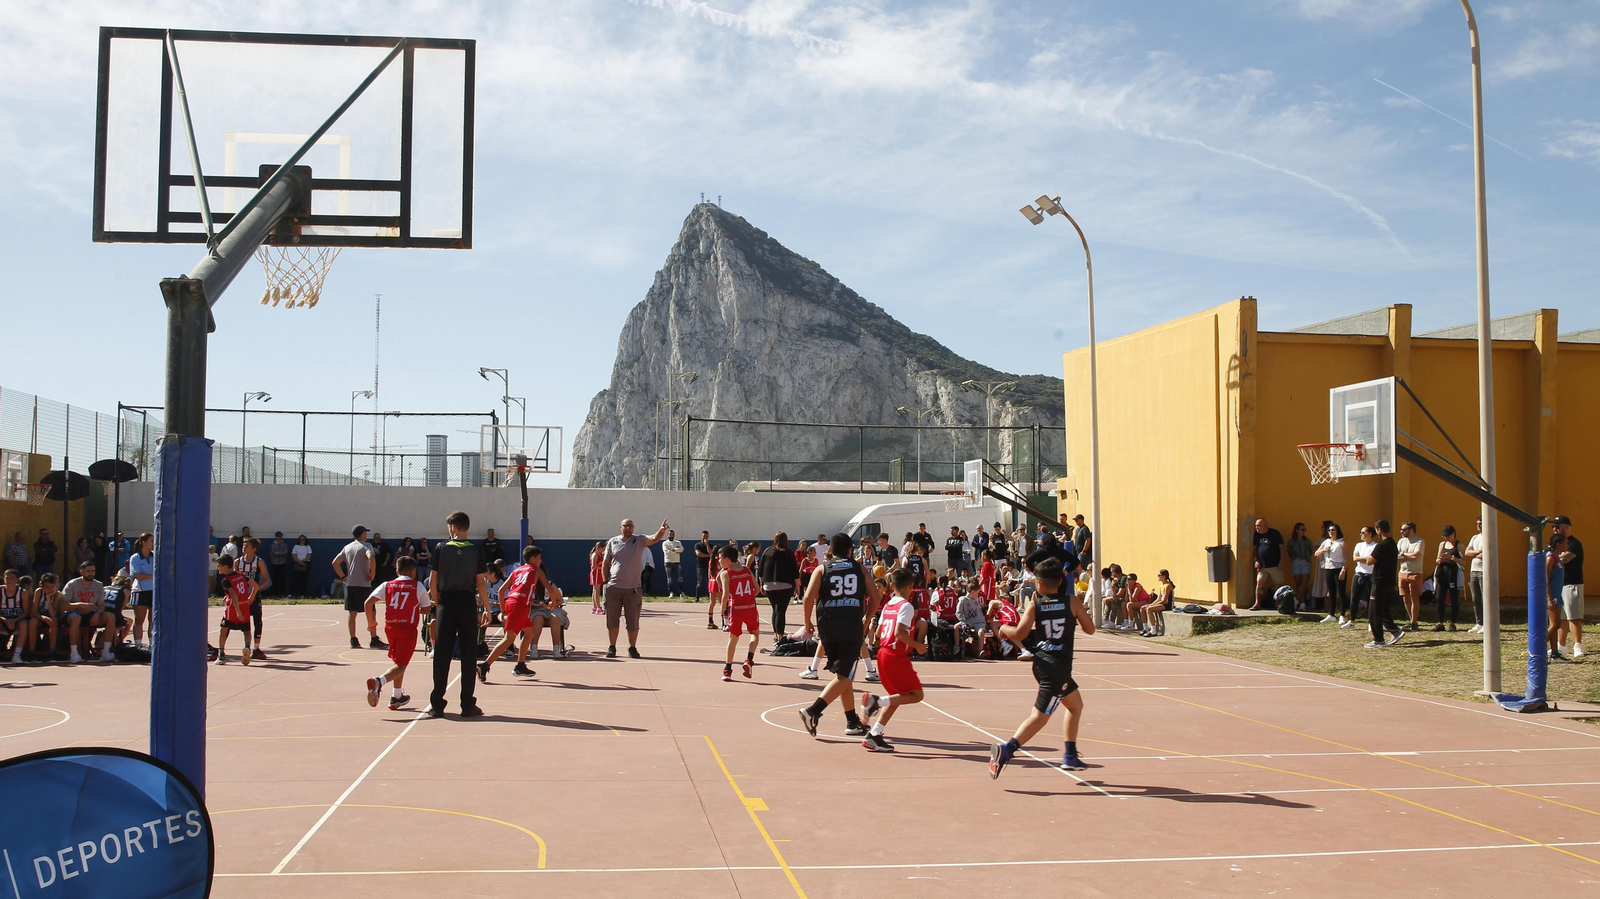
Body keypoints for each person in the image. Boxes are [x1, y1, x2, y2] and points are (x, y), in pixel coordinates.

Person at [988, 557, 1096, 777]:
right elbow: (1090, 629)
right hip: (1056, 668)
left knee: (1075, 706)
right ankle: (1006, 749)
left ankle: (1070, 755)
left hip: (1045, 664)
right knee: (1040, 716)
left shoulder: (1035, 605)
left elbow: (1020, 634)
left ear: (1039, 583)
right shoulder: (1072, 602)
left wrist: (1003, 629)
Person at [797, 533, 882, 739]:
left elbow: (808, 596)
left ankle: (852, 721)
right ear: (851, 551)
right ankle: (813, 711)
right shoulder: (859, 568)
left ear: (831, 550)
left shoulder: (822, 568)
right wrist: (867, 617)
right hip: (850, 623)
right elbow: (876, 596)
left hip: (827, 623)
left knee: (844, 673)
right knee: (846, 674)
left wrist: (807, 621)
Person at [857, 567, 928, 752]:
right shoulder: (906, 606)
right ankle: (876, 702)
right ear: (911, 586)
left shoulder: (888, 604)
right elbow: (899, 633)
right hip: (895, 655)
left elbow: (880, 632)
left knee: (897, 697)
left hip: (882, 653)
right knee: (916, 695)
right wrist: (918, 645)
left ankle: (874, 735)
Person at [428, 510, 490, 718]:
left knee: (442, 653)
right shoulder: (476, 549)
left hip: (447, 601)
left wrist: (439, 604)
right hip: (467, 602)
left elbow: (433, 580)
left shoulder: (441, 548)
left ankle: (437, 704)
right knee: (469, 654)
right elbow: (480, 582)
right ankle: (467, 704)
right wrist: (488, 609)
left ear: (453, 527)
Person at [365, 554, 431, 709]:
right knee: (401, 664)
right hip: (407, 628)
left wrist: (371, 622)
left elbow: (368, 602)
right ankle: (378, 681)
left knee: (399, 662)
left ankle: (397, 696)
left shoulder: (387, 585)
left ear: (397, 571)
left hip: (390, 627)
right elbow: (427, 609)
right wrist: (413, 608)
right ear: (413, 572)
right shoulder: (418, 586)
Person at [603, 518, 670, 659]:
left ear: (633, 528)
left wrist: (662, 530)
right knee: (612, 619)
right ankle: (612, 647)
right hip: (613, 587)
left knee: (633, 621)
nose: (628, 528)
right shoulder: (612, 542)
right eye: (626, 526)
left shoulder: (639, 540)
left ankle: (632, 648)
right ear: (620, 527)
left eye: (631, 526)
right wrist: (605, 582)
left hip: (633, 588)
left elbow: (654, 538)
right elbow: (606, 562)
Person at [479, 545, 548, 681]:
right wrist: (551, 601)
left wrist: (503, 609)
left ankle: (520, 665)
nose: (541, 560)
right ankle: (484, 666)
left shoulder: (517, 571)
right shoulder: (536, 570)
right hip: (519, 605)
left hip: (513, 603)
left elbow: (500, 591)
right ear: (533, 559)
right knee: (509, 639)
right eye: (539, 558)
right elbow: (549, 588)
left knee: (530, 632)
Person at [716, 545, 760, 682]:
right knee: (755, 634)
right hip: (750, 607)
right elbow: (757, 589)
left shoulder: (726, 573)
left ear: (727, 559)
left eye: (720, 558)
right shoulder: (746, 570)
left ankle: (727, 670)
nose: (718, 561)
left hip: (736, 609)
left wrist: (722, 608)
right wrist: (749, 597)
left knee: (733, 639)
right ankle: (749, 660)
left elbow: (724, 594)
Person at [332, 526, 379, 650]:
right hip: (363, 583)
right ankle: (373, 638)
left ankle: (353, 639)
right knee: (371, 610)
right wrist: (372, 573)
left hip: (351, 583)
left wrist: (343, 577)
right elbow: (371, 557)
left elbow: (335, 563)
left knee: (352, 612)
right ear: (363, 534)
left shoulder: (347, 547)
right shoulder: (366, 546)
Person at [60, 560, 112, 663]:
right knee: (76, 618)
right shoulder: (72, 584)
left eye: (93, 571)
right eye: (88, 571)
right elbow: (62, 605)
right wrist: (78, 604)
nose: (91, 573)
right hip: (73, 613)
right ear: (81, 572)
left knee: (110, 617)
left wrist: (97, 613)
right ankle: (74, 653)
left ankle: (106, 652)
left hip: (90, 614)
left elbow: (101, 605)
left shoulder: (99, 585)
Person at [1365, 520, 1405, 648]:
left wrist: (1368, 556)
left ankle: (1378, 640)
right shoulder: (1393, 544)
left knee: (1374, 611)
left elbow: (1369, 561)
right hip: (1389, 582)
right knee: (1384, 610)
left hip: (1379, 582)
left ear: (1379, 529)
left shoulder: (1382, 545)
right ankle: (1395, 631)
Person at [213, 555, 258, 666]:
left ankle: (221, 655)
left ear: (225, 567)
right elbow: (255, 585)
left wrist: (237, 611)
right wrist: (251, 597)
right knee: (247, 631)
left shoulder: (225, 580)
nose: (218, 568)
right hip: (245, 606)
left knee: (223, 631)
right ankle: (247, 646)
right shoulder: (240, 575)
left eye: (219, 566)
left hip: (233, 609)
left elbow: (233, 594)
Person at [1552, 516, 1585, 659]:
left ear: (1566, 527)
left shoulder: (1574, 544)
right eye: (1553, 527)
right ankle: (1562, 645)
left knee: (1574, 616)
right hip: (1560, 584)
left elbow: (1563, 559)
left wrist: (1552, 558)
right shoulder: (1557, 544)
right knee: (1562, 618)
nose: (1554, 529)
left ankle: (1577, 645)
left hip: (1572, 584)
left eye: (1557, 527)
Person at [759, 532, 800, 640]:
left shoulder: (767, 552)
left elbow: (760, 569)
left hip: (769, 584)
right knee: (781, 611)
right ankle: (780, 635)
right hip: (785, 584)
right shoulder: (788, 553)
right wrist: (798, 586)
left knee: (775, 609)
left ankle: (775, 634)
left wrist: (761, 584)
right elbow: (795, 571)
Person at [236, 537, 272, 659]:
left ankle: (256, 648)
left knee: (258, 621)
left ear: (254, 549)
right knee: (243, 622)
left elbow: (266, 579)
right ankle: (246, 646)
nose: (243, 547)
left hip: (254, 596)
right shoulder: (237, 562)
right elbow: (234, 579)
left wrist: (255, 590)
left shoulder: (258, 562)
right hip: (240, 597)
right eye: (243, 545)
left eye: (247, 546)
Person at [1313, 523, 1348, 624]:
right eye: (1329, 530)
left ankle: (1342, 615)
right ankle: (1331, 614)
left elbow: (1346, 557)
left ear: (1337, 531)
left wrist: (1344, 569)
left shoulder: (1342, 541)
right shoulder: (1326, 541)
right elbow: (1316, 553)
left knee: (1341, 592)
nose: (1331, 532)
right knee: (1331, 591)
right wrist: (1324, 550)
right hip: (1328, 568)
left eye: (1333, 530)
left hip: (1339, 568)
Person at [1248, 519, 1285, 611]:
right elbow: (1255, 549)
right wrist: (1256, 560)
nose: (1257, 528)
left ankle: (1277, 604)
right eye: (1256, 526)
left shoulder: (1274, 533)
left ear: (1265, 525)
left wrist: (1282, 561)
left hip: (1275, 564)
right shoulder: (1256, 535)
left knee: (1278, 584)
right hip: (1262, 566)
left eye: (1259, 526)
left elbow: (1282, 548)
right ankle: (1257, 603)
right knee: (1259, 583)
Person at [1433, 526, 1464, 632]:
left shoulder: (1459, 545)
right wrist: (1440, 559)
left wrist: (1451, 557)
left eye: (1447, 536)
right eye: (1444, 536)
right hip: (1443, 573)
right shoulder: (1442, 545)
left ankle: (1453, 623)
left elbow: (1464, 562)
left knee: (1454, 599)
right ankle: (1440, 623)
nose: (1445, 538)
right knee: (1439, 597)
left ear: (1453, 534)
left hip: (1453, 574)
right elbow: (1437, 559)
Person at [128, 533, 155, 649]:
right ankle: (138, 644)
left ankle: (152, 644)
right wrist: (154, 576)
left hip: (154, 591)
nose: (154, 543)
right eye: (151, 541)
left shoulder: (155, 556)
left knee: (153, 619)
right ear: (144, 543)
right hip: (140, 591)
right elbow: (137, 575)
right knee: (139, 619)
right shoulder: (135, 558)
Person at [1396, 521, 1425, 630]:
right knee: (1405, 598)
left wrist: (1404, 555)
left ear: (1411, 530)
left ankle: (1414, 622)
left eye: (1404, 529)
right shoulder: (1401, 541)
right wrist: (1406, 556)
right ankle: (1411, 619)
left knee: (1414, 597)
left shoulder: (1420, 541)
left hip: (1415, 573)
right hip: (1402, 572)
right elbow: (1396, 555)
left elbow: (1416, 555)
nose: (1401, 532)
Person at [1546, 533, 1568, 661]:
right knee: (1556, 625)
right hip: (1552, 596)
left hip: (1557, 595)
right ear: (1558, 544)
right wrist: (1549, 598)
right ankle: (1537, 649)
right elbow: (1546, 579)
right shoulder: (1550, 558)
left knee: (1555, 625)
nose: (1567, 545)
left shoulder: (1557, 557)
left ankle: (1554, 653)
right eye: (1565, 543)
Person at [2, 569, 32, 664]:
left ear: (17, 580)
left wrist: (14, 620)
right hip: (4, 620)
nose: (9, 580)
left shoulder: (22, 593)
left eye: (12, 578)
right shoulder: (1, 592)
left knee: (24, 624)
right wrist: (6, 620)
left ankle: (16, 655)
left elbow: (26, 612)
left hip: (18, 619)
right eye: (7, 578)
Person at [1463, 516, 1487, 635]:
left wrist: (1475, 553)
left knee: (1485, 598)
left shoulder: (1489, 536)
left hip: (1484, 571)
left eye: (1480, 523)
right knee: (1475, 599)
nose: (1478, 525)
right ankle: (1479, 623)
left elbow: (1486, 554)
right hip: (1474, 571)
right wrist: (1477, 552)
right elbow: (1467, 552)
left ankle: (1487, 624)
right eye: (1477, 523)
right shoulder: (1475, 537)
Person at [1350, 526, 1376, 629]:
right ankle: (1352, 621)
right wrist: (1366, 559)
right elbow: (1355, 558)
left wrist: (1364, 559)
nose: (1361, 534)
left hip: (1370, 574)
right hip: (1359, 573)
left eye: (1363, 532)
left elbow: (1373, 560)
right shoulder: (1359, 545)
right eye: (1360, 532)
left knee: (1371, 599)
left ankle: (1371, 622)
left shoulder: (1375, 546)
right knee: (1354, 597)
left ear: (1370, 534)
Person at [1138, 570, 1175, 636]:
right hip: (1161, 603)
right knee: (1142, 608)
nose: (1158, 577)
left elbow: (1164, 600)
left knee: (1149, 609)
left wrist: (1151, 606)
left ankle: (1153, 630)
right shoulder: (1161, 585)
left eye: (1159, 575)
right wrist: (1151, 604)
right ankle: (1145, 628)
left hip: (1167, 605)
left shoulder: (1168, 586)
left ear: (1164, 576)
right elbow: (1159, 598)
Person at [1287, 523, 1313, 610]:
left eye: (1305, 530)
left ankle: (1295, 600)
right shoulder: (1291, 541)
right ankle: (1302, 603)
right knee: (1298, 584)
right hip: (1295, 562)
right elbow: (1289, 552)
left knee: (1304, 583)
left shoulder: (1307, 541)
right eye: (1302, 530)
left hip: (1306, 562)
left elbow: (1311, 551)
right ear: (1297, 530)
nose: (1304, 532)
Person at [662, 529, 685, 598]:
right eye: (669, 534)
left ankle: (681, 592)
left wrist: (673, 550)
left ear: (674, 535)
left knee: (680, 578)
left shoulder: (678, 542)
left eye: (672, 534)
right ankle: (671, 593)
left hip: (677, 562)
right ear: (667, 535)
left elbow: (682, 549)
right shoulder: (665, 543)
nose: (671, 535)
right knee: (669, 579)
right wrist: (676, 551)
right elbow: (667, 552)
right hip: (668, 562)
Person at [269, 532, 291, 597]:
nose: (279, 538)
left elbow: (286, 552)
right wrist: (280, 553)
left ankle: (282, 592)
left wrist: (277, 553)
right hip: (274, 563)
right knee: (275, 578)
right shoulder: (272, 544)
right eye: (278, 536)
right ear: (276, 537)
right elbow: (272, 553)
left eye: (280, 536)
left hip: (283, 563)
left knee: (282, 578)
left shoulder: (285, 544)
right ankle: (275, 592)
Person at [694, 531, 713, 601]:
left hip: (709, 566)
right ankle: (697, 598)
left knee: (709, 582)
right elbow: (698, 554)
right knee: (699, 582)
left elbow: (711, 553)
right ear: (701, 536)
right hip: (700, 566)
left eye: (706, 536)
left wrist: (707, 545)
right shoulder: (697, 545)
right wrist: (708, 556)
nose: (705, 537)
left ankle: (710, 597)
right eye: (704, 536)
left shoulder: (710, 545)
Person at [588, 541, 605, 615]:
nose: (604, 550)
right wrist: (602, 568)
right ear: (600, 548)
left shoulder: (600, 554)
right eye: (603, 548)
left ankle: (595, 607)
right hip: (595, 574)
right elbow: (594, 565)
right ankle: (598, 608)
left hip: (598, 573)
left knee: (595, 591)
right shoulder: (595, 554)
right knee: (597, 591)